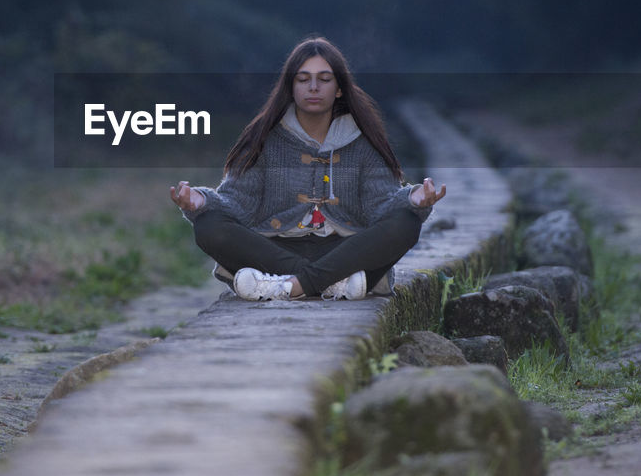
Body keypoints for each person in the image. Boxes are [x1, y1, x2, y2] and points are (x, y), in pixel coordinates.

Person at [170, 36, 446, 301]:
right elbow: (237, 204)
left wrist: (412, 200)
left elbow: (381, 206)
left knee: (406, 223)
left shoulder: (364, 142)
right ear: (291, 87)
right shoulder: (263, 139)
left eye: (324, 79)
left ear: (339, 88)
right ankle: (332, 284)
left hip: (343, 250)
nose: (313, 87)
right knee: (209, 226)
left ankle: (287, 285)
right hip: (275, 249)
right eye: (303, 79)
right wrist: (201, 201)